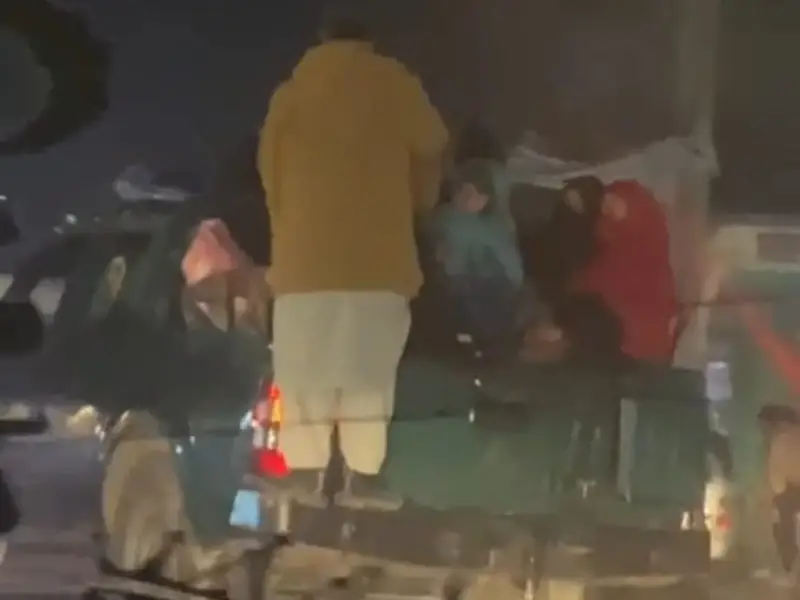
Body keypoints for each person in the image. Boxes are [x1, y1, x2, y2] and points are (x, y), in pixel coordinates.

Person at [257, 13, 448, 508]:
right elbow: (432, 147)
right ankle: (362, 477)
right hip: (379, 262)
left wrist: (290, 227)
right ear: (370, 40)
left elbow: (269, 172)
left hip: (304, 265)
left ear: (322, 40)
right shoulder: (396, 86)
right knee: (367, 376)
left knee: (304, 374)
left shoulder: (290, 96)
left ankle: (305, 472)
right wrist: (415, 205)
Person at [569, 179, 677, 364]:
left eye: (616, 203)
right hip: (622, 342)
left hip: (631, 346)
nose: (609, 210)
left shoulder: (647, 242)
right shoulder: (611, 242)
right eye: (605, 206)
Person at [431, 159, 530, 346]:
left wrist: (513, 281)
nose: (467, 198)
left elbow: (509, 259)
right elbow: (444, 255)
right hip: (458, 282)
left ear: (487, 200)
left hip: (492, 283)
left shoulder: (494, 227)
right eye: (463, 191)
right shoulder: (444, 220)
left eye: (476, 195)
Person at [758, 404, 800, 579]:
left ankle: (788, 570)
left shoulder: (781, 441)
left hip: (789, 493)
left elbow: (777, 473)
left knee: (784, 531)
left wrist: (776, 494)